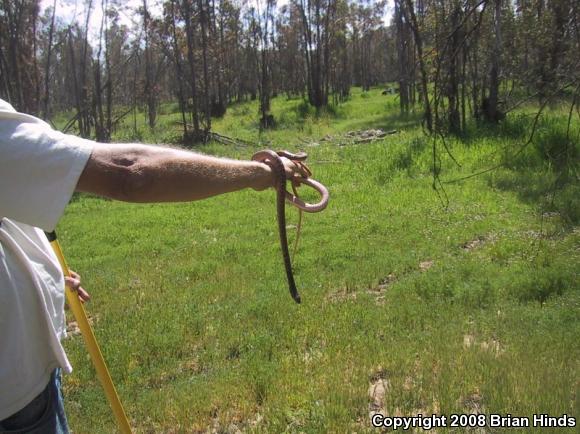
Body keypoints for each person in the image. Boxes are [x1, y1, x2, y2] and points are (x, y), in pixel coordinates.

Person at [0, 98, 306, 433]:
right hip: (14, 405)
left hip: (27, 382)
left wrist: (44, 274)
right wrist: (259, 174)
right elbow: (132, 173)